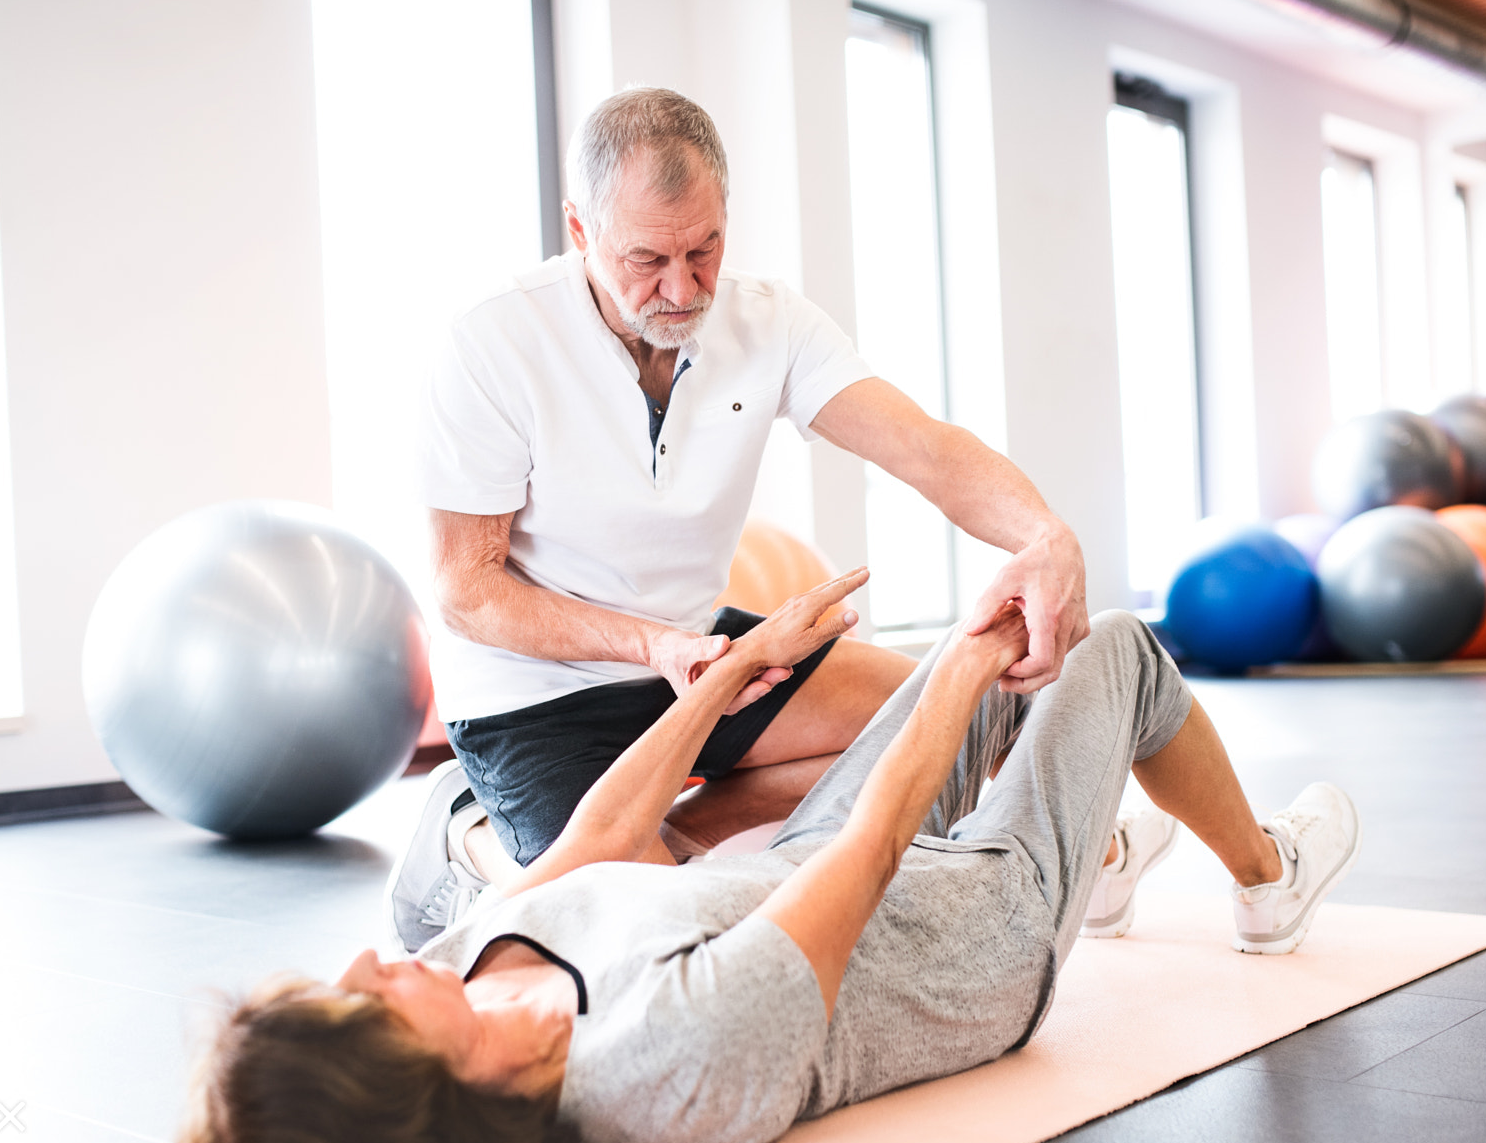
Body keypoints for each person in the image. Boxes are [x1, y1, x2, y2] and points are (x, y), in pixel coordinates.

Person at [158, 577, 1362, 1143]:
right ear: (416, 1086)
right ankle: (1267, 879)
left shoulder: (456, 980)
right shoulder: (670, 1069)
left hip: (798, 858)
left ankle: (1102, 846)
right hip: (969, 924)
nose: (369, 960)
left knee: (989, 680)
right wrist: (954, 665)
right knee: (1109, 650)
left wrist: (735, 670)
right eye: (364, 1000)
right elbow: (872, 853)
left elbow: (592, 841)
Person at [394, 86, 1091, 950]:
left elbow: (922, 445)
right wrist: (654, 647)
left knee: (966, 715)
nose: (682, 287)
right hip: (534, 698)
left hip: (701, 657)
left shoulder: (770, 320)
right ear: (581, 231)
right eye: (647, 258)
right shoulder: (492, 344)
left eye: (705, 247)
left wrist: (1045, 536)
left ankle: (666, 835)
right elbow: (467, 593)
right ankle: (476, 843)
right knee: (656, 936)